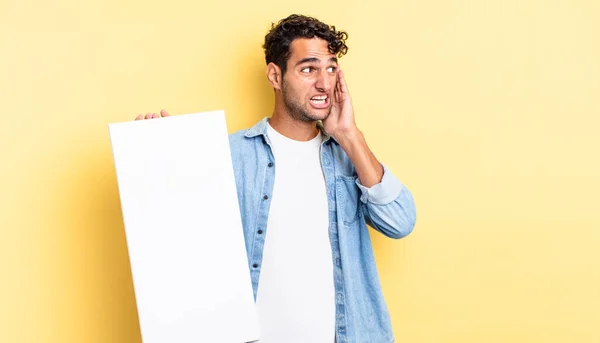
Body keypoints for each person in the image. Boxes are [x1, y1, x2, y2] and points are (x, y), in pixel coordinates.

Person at [135, 14, 416, 343]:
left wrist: (350, 135)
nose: (324, 83)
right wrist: (153, 160)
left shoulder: (348, 158)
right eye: (309, 69)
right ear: (275, 75)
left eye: (331, 68)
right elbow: (175, 239)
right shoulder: (231, 155)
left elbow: (400, 222)